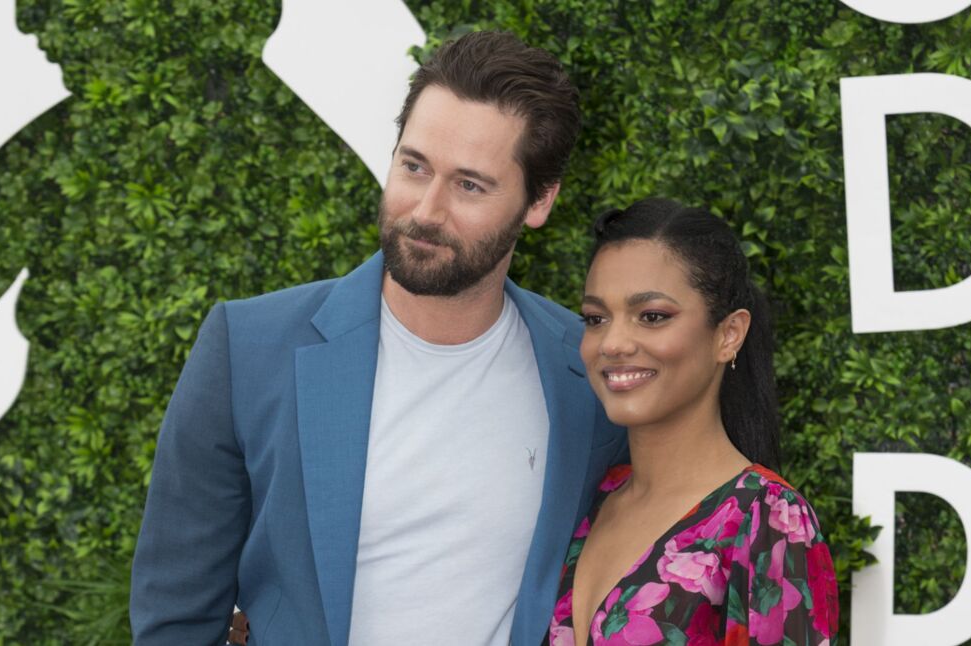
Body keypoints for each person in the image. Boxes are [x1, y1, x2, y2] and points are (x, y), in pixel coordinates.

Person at [130, 31, 625, 646]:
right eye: (413, 166)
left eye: (469, 185)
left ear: (539, 201)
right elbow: (175, 618)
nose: (425, 210)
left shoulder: (589, 370)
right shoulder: (249, 348)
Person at [548, 198, 838, 646]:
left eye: (653, 317)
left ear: (728, 335)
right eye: (595, 318)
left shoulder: (767, 520)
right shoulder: (595, 497)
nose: (613, 342)